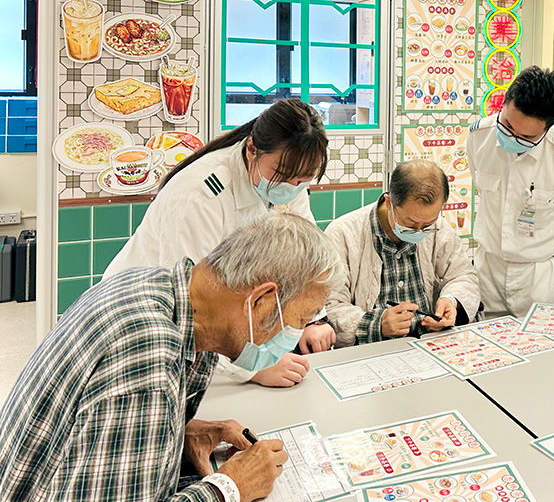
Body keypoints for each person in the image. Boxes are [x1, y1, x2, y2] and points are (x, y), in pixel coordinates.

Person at [0, 212, 343, 502]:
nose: (297, 333)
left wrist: (176, 432)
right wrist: (229, 486)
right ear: (262, 301)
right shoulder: (147, 361)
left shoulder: (159, 288)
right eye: (301, 318)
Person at [104, 99, 336, 388]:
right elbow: (194, 306)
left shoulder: (287, 178)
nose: (294, 186)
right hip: (143, 319)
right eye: (285, 175)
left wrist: (310, 320)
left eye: (304, 179)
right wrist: (251, 368)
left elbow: (307, 253)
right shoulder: (199, 196)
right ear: (252, 148)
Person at [467, 66, 554, 318]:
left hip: (542, 279)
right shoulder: (479, 137)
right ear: (504, 104)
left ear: (546, 129)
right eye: (506, 126)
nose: (512, 138)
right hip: (489, 269)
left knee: (549, 353)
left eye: (526, 137)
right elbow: (479, 184)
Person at [325, 160, 481, 346]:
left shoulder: (439, 228)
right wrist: (377, 324)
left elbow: (462, 276)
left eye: (427, 225)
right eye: (410, 223)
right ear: (390, 202)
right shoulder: (343, 234)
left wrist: (451, 301)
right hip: (372, 349)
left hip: (430, 342)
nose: (419, 231)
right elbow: (329, 305)